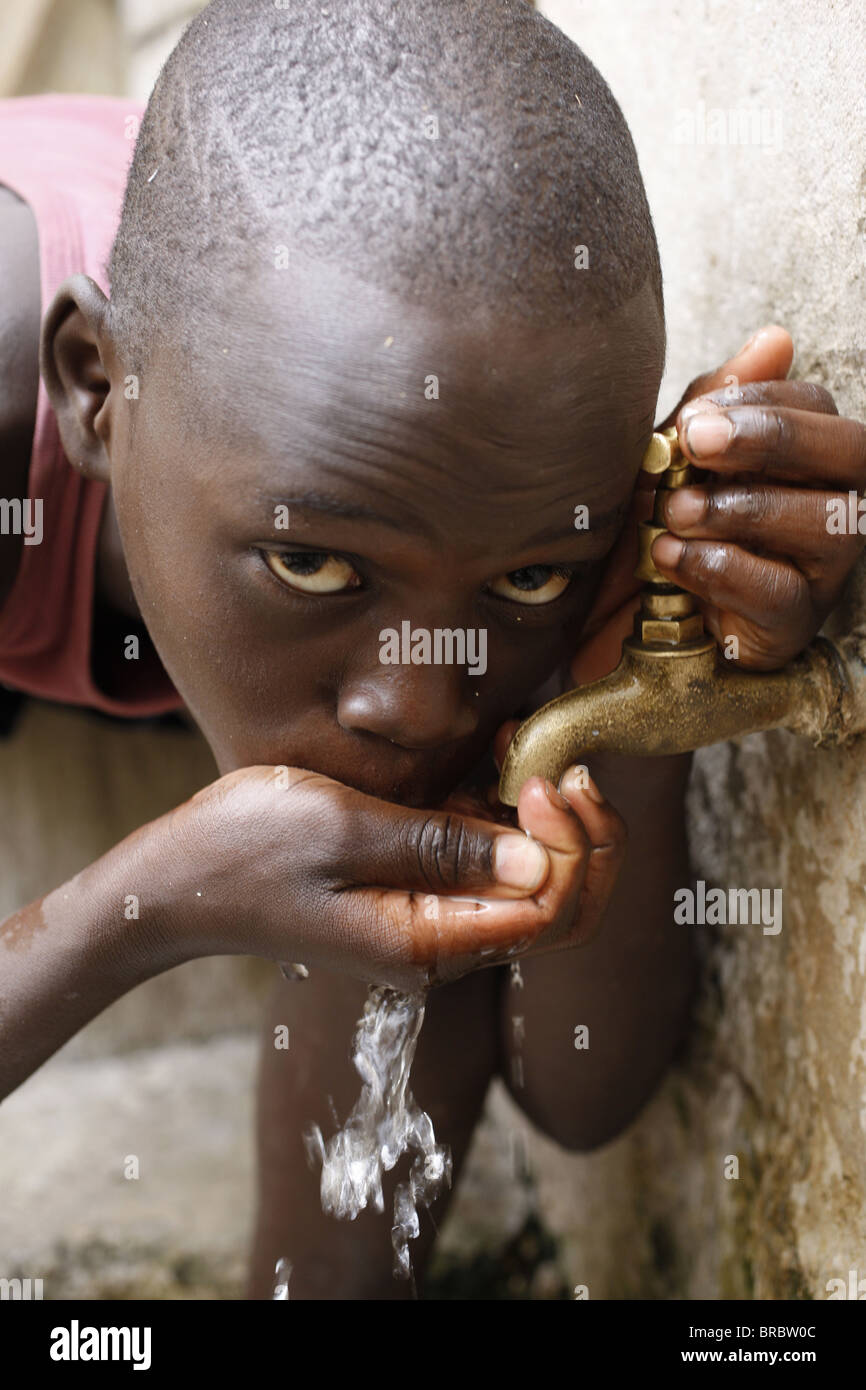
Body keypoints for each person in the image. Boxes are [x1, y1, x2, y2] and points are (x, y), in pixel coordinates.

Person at [1, 0, 863, 1299]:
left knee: (402, 883)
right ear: (93, 385)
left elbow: (583, 1089)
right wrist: (144, 908)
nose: (413, 701)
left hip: (166, 543)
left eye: (529, 574)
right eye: (314, 564)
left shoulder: (481, 485)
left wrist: (637, 677)